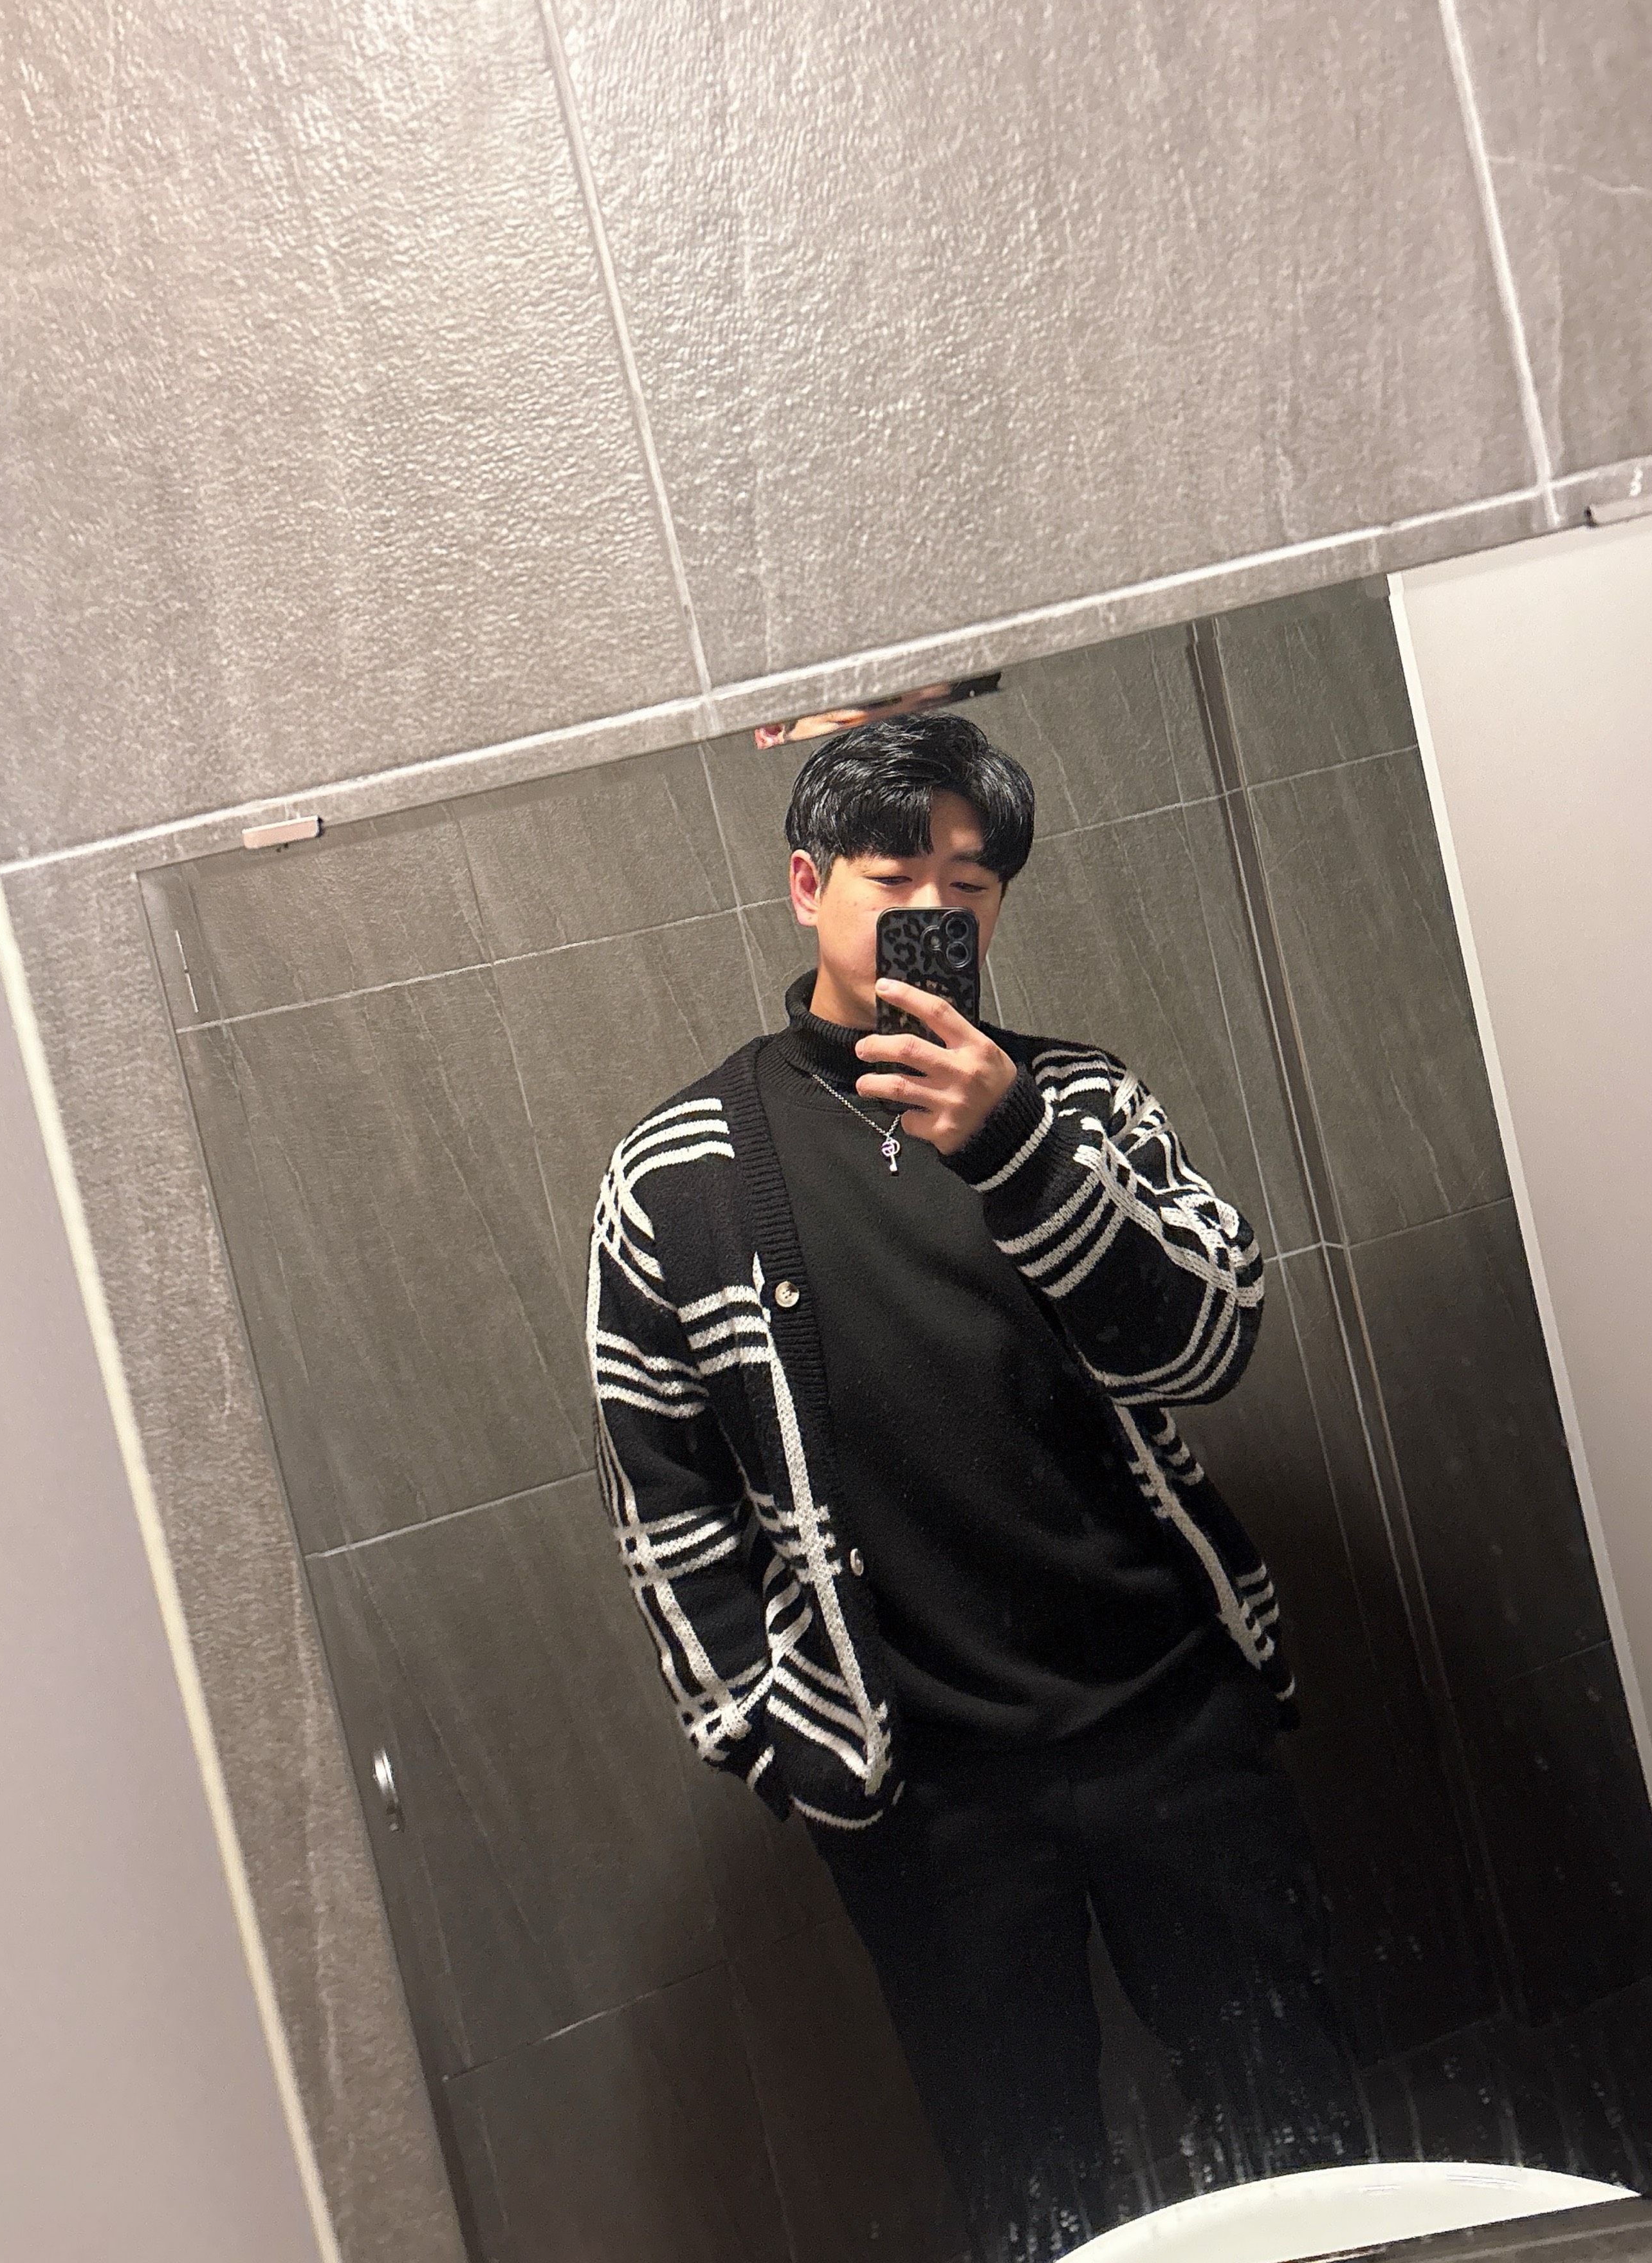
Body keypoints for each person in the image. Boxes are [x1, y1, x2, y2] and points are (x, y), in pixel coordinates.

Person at [586, 710, 1366, 2258]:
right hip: (923, 1793)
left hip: (1172, 1724)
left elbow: (1210, 1338)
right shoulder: (675, 1178)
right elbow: (659, 1493)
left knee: (1292, 2121)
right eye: (894, 878)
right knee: (1025, 2176)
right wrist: (772, 1736)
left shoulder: (1079, 1101)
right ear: (805, 885)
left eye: (971, 884)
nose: (935, 911)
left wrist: (1014, 1147)